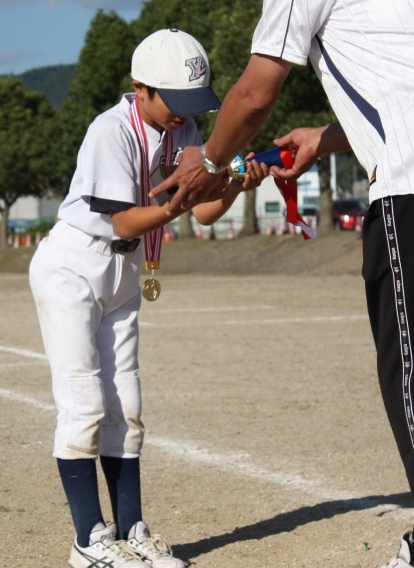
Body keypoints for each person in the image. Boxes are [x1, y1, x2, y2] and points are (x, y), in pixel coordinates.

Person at [149, 3, 414, 567]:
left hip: (408, 186)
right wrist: (328, 136)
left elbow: (254, 94)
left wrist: (211, 163)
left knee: (409, 371)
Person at [29, 28, 266, 568]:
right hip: (73, 266)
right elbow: (125, 218)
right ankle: (88, 541)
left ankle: (131, 528)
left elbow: (204, 211)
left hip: (124, 269)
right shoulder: (110, 130)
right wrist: (183, 200)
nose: (184, 116)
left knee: (128, 408)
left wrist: (234, 182)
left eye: (192, 105)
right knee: (84, 404)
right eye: (174, 103)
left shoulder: (184, 128)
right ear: (141, 89)